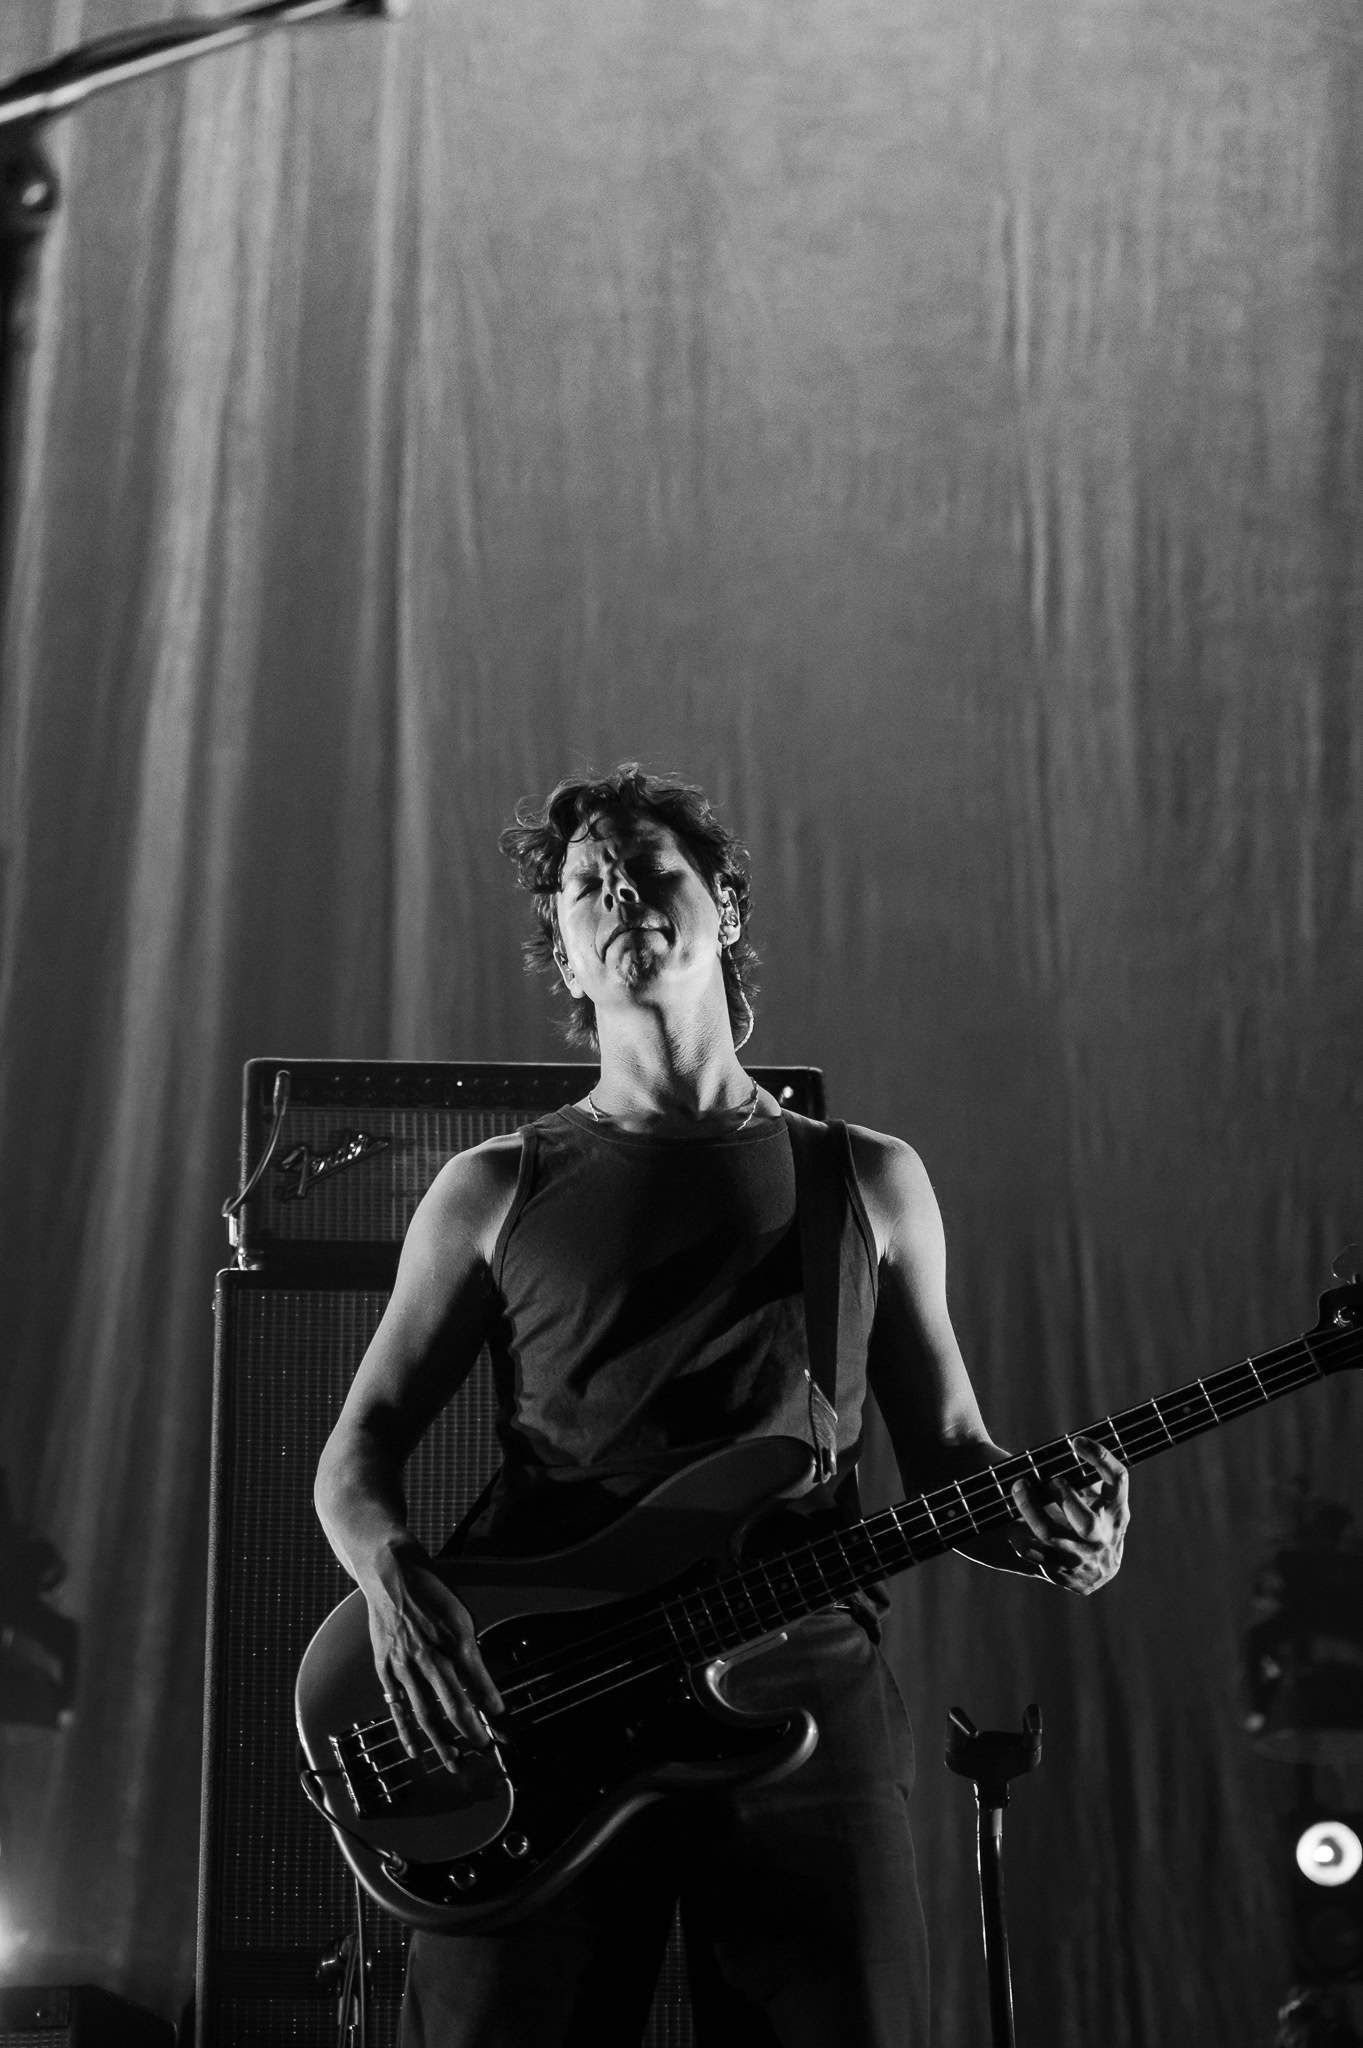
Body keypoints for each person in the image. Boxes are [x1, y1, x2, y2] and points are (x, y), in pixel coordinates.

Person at [313, 763, 1130, 2048]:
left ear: (726, 909)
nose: (621, 894)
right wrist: (392, 1579)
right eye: (587, 885)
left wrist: (1047, 1527)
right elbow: (355, 1452)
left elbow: (949, 1452)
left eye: (651, 870)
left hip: (807, 1695)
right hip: (548, 1702)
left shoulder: (867, 1178)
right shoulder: (492, 1186)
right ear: (564, 952)